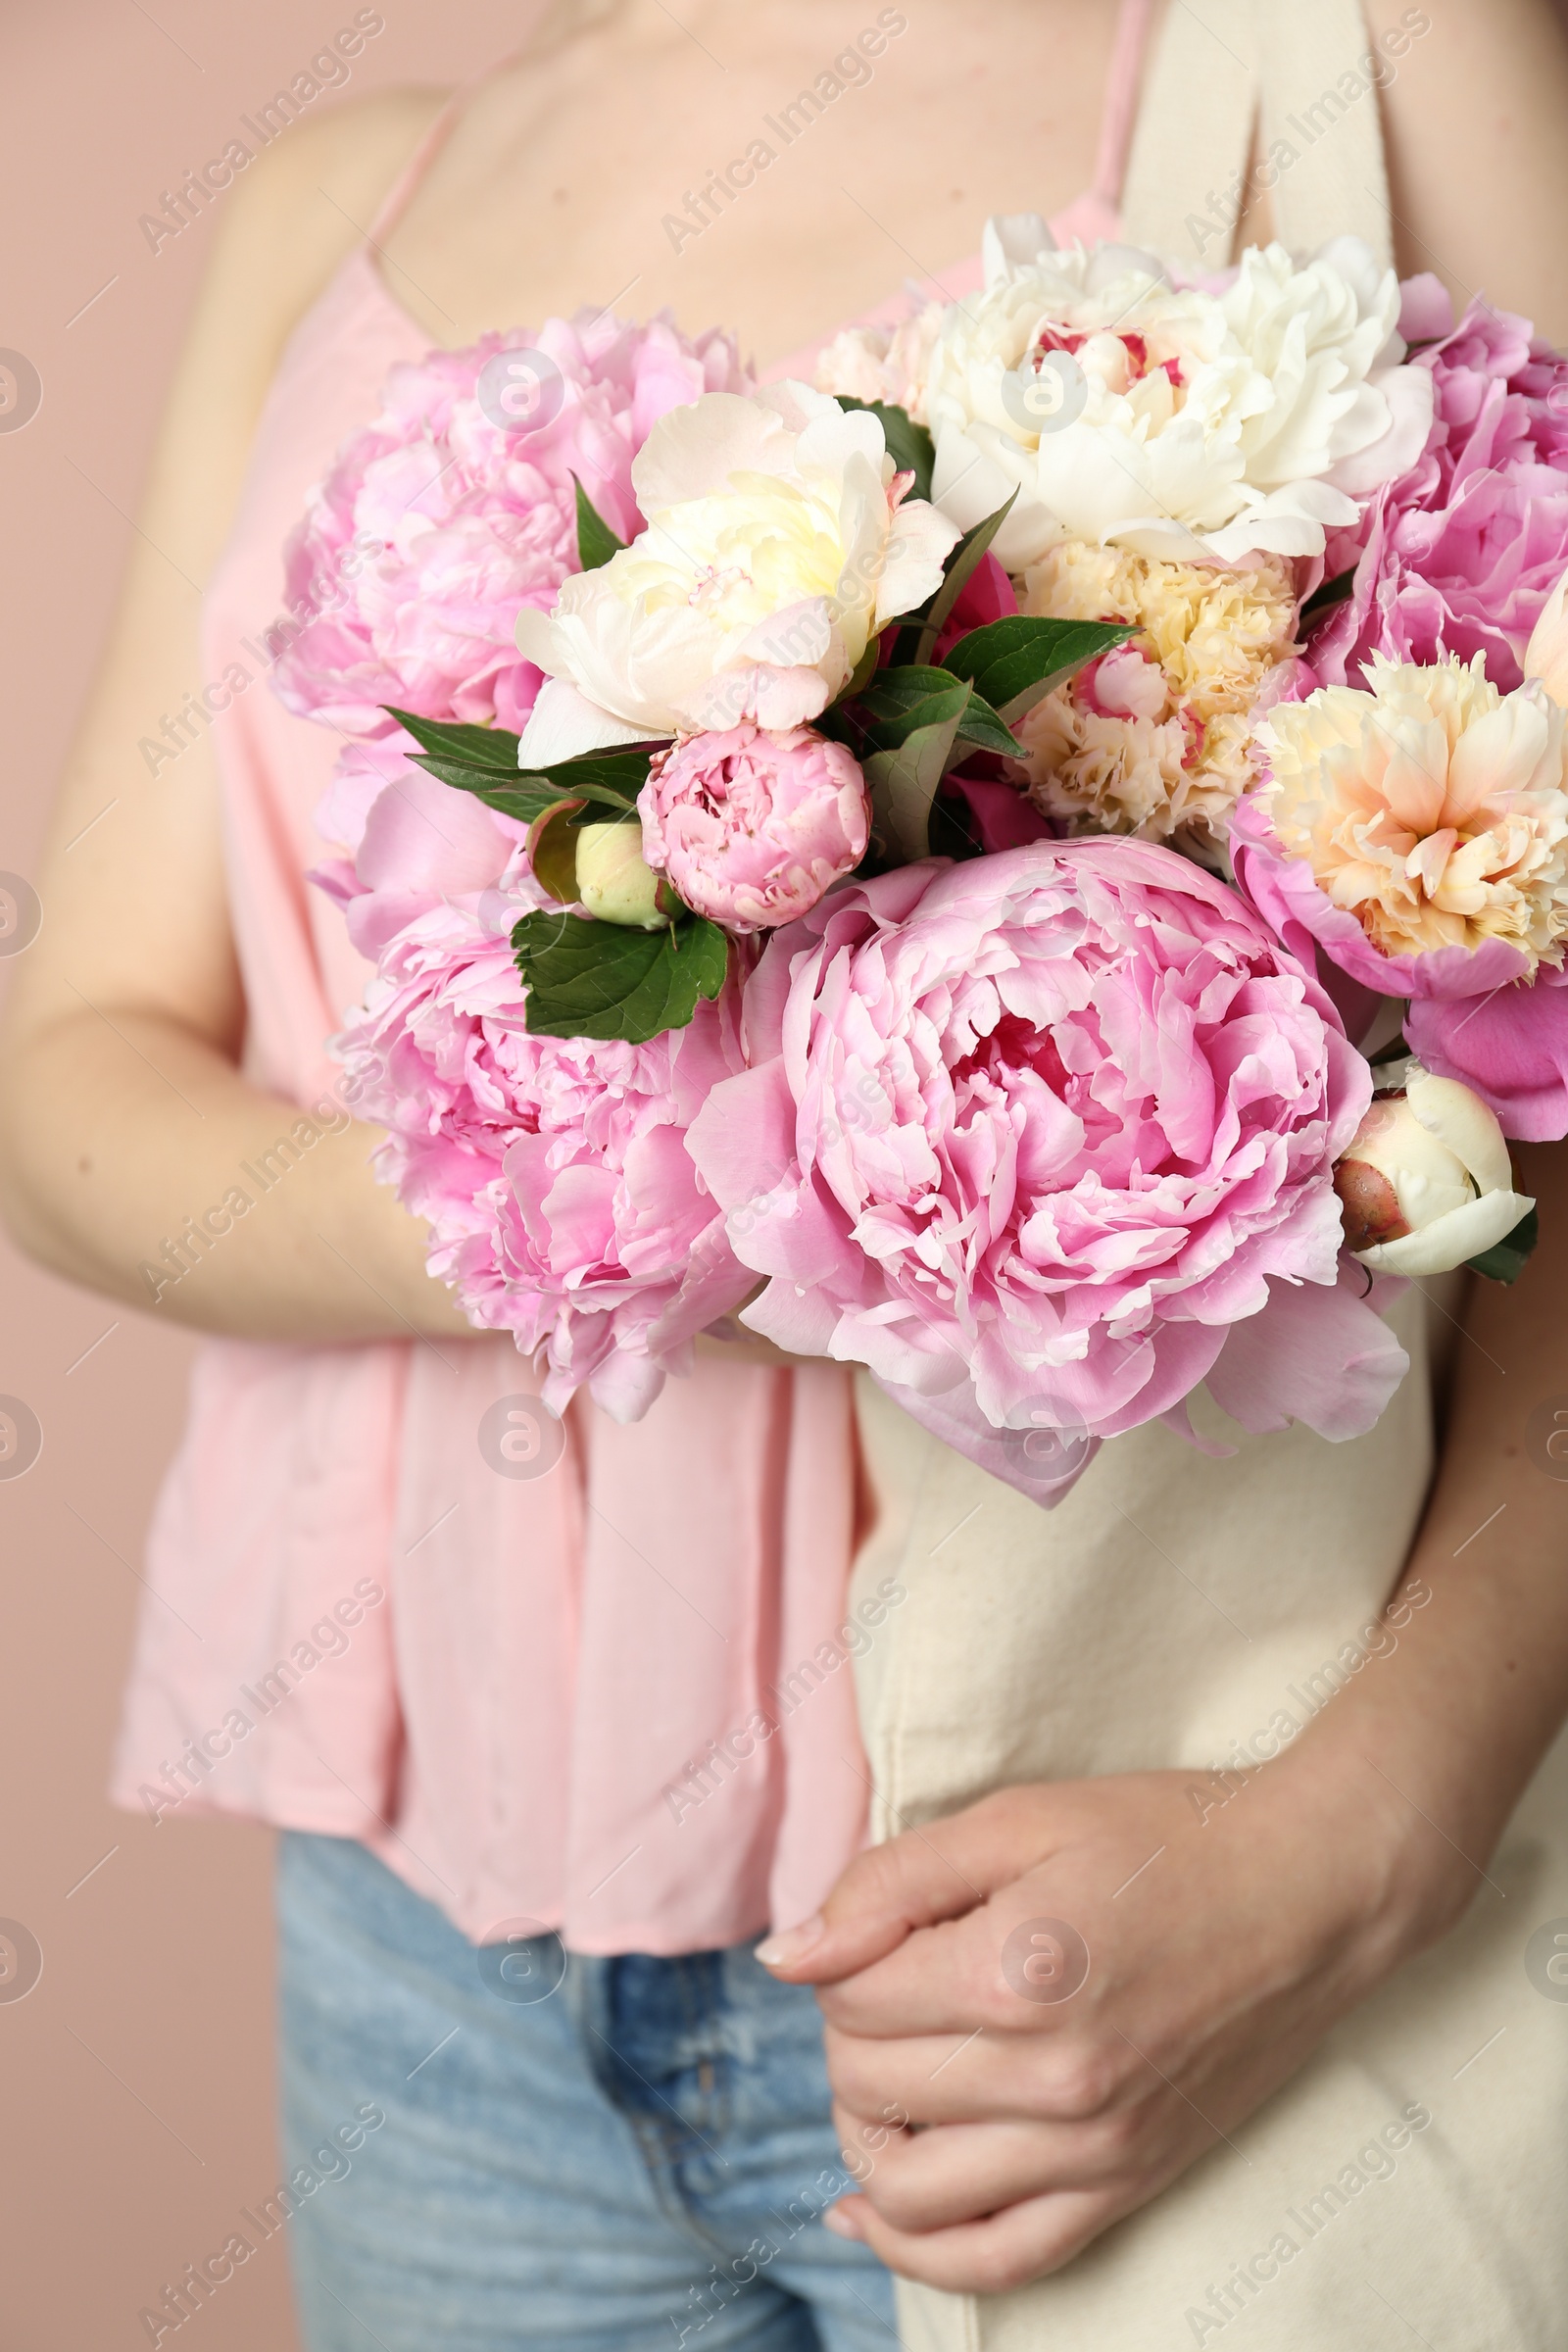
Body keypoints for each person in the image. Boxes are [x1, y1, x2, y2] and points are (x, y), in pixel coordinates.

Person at [3, 2, 1567, 2348]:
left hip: (1123, 1931)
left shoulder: (1352, 60)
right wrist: (649, 1210)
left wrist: (1364, 1845)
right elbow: (71, 1075)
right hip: (434, 1978)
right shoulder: (339, 204)